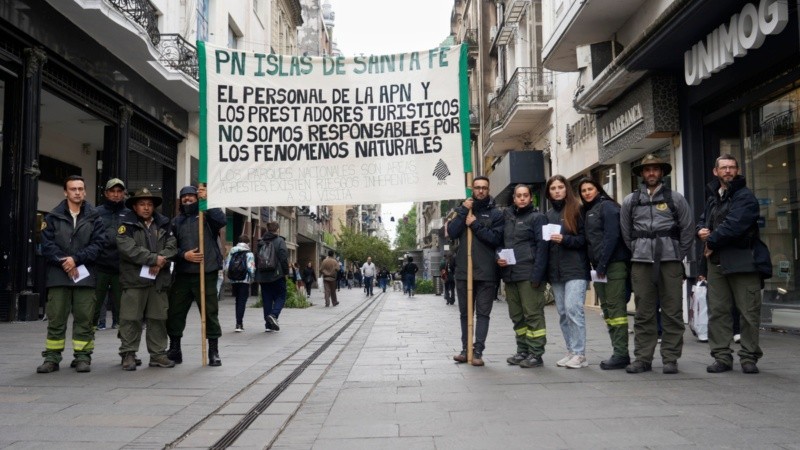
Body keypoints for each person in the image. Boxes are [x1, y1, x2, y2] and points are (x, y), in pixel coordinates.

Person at [697, 153, 772, 374]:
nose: (728, 171)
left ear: (737, 170)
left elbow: (735, 225)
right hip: (717, 263)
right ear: (715, 171)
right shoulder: (714, 197)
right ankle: (721, 357)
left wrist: (711, 240)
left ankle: (749, 357)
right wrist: (699, 230)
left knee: (748, 312)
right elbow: (704, 220)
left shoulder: (745, 197)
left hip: (743, 261)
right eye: (724, 167)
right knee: (718, 312)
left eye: (732, 167)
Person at [621, 154, 694, 374]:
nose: (651, 173)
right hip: (641, 262)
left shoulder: (676, 198)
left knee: (672, 311)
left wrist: (676, 254)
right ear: (642, 174)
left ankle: (670, 358)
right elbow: (626, 232)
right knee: (643, 312)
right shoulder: (631, 201)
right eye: (647, 170)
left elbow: (688, 230)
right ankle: (643, 358)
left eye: (655, 169)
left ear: (661, 172)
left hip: (670, 261)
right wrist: (638, 250)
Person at [37, 175, 106, 373]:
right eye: (73, 189)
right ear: (65, 192)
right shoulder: (53, 217)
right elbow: (47, 245)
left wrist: (75, 259)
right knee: (56, 318)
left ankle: (83, 357)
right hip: (58, 275)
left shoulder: (94, 217)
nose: (77, 192)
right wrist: (64, 261)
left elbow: (99, 244)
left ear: (85, 191)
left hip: (85, 275)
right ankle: (52, 358)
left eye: (80, 189)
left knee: (85, 318)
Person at [116, 188, 178, 370]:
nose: (146, 208)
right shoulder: (125, 224)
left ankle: (158, 354)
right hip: (134, 279)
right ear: (134, 206)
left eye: (149, 204)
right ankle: (128, 354)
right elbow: (127, 248)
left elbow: (172, 246)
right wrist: (153, 259)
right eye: (142, 204)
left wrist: (161, 261)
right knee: (130, 318)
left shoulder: (164, 223)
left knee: (158, 318)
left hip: (158, 280)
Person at [446, 176, 504, 366]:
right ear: (472, 189)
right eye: (477, 187)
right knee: (465, 314)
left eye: (484, 188)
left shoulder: (496, 214)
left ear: (488, 190)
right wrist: (463, 212)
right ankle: (465, 349)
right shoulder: (463, 211)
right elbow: (452, 233)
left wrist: (475, 225)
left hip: (486, 272)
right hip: (464, 272)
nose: (480, 191)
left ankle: (478, 351)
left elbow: (496, 239)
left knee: (483, 314)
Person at [167, 185, 226, 367]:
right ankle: (175, 349)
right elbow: (169, 247)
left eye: (191, 196)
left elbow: (222, 219)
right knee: (175, 312)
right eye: (184, 197)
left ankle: (213, 351)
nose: (187, 199)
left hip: (206, 273)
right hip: (183, 274)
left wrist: (206, 201)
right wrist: (184, 255)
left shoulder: (208, 217)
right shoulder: (176, 222)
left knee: (209, 313)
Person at [578, 177, 632, 370]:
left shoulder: (607, 207)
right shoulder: (589, 211)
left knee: (616, 310)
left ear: (598, 189)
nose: (586, 193)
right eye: (583, 190)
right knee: (608, 310)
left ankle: (621, 354)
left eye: (590, 189)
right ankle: (618, 351)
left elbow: (612, 236)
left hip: (613, 265)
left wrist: (602, 264)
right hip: (599, 268)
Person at [498, 184, 549, 369]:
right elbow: (500, 243)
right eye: (518, 195)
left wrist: (538, 275)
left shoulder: (538, 218)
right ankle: (522, 350)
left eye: (525, 195)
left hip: (529, 275)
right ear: (514, 199)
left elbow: (543, 248)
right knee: (517, 316)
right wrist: (499, 256)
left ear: (530, 198)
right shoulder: (507, 219)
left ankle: (536, 353)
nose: (522, 198)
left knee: (533, 314)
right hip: (511, 274)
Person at [546, 175, 591, 369]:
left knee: (574, 309)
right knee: (563, 313)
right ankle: (571, 351)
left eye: (560, 187)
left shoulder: (577, 210)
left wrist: (564, 240)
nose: (557, 191)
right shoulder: (547, 215)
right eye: (553, 188)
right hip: (556, 271)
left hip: (575, 269)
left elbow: (584, 240)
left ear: (567, 189)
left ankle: (580, 354)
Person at [93, 178, 131, 331]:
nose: (116, 194)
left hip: (121, 265)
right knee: (95, 302)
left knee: (122, 303)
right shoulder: (96, 212)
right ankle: (92, 327)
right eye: (112, 191)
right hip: (100, 265)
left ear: (123, 194)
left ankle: (120, 325)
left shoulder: (129, 214)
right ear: (106, 193)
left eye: (119, 191)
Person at [255, 221, 289, 332]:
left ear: (268, 229)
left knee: (267, 299)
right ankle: (274, 316)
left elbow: (257, 259)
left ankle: (268, 326)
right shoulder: (280, 241)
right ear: (277, 229)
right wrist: (286, 272)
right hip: (277, 275)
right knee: (281, 295)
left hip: (263, 276)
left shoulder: (260, 242)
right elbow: (283, 258)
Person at [223, 235, 255, 332]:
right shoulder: (249, 253)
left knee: (237, 300)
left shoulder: (232, 252)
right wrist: (252, 278)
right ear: (247, 243)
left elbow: (227, 266)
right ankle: (239, 324)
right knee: (242, 301)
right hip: (244, 280)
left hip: (234, 280)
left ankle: (238, 323)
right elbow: (251, 268)